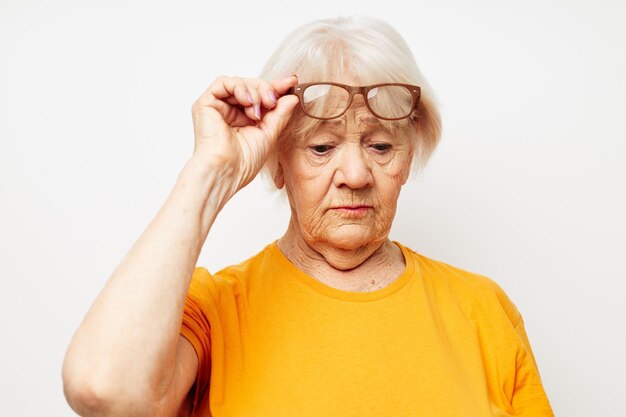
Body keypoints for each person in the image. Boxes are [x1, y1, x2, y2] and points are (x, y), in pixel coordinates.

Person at [62, 15, 554, 417]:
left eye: (381, 145)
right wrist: (210, 172)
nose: (356, 174)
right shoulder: (214, 311)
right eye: (321, 147)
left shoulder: (484, 311)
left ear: (408, 159)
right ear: (278, 164)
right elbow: (102, 391)